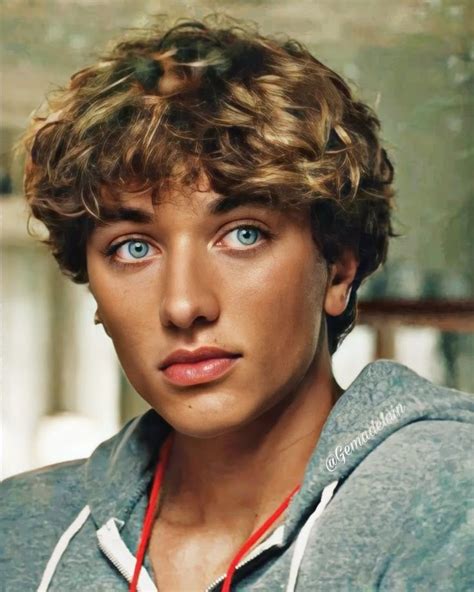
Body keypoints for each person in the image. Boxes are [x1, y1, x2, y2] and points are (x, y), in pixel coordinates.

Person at [1, 16, 472, 592]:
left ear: (339, 269)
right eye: (133, 248)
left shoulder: (452, 503)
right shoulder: (19, 534)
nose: (183, 305)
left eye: (244, 234)